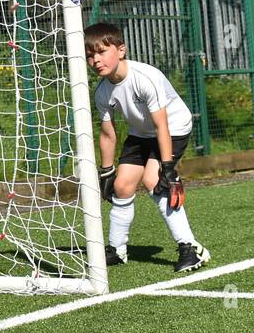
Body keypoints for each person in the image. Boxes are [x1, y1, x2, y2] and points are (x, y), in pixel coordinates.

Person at [85, 22, 209, 273]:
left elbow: (162, 126)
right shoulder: (102, 92)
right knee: (121, 186)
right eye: (90, 55)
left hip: (172, 128)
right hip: (141, 133)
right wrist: (106, 170)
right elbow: (108, 135)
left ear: (121, 50)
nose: (96, 60)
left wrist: (168, 169)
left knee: (155, 180)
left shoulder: (145, 78)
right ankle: (117, 250)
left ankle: (190, 249)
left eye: (102, 51)